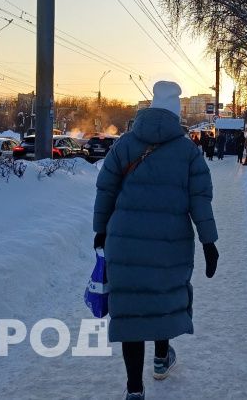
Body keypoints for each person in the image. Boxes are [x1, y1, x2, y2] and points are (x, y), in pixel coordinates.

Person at [93, 80, 220, 400]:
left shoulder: (124, 145)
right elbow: (200, 199)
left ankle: (134, 389)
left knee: (132, 309)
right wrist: (209, 242)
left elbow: (106, 187)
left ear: (150, 109)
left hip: (125, 240)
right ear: (176, 114)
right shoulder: (189, 151)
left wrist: (101, 230)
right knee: (162, 299)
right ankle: (162, 359)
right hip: (170, 242)